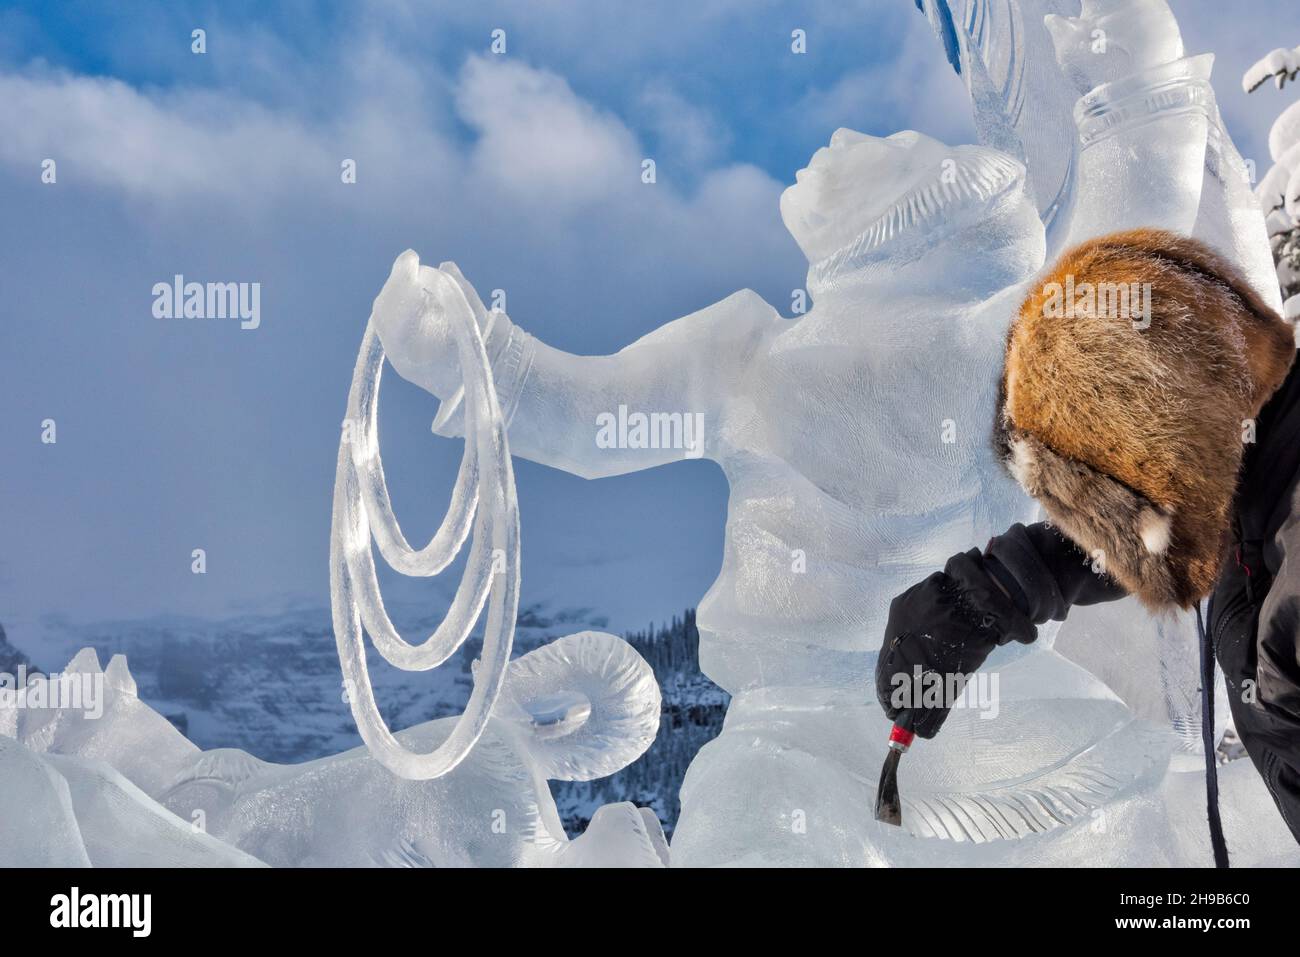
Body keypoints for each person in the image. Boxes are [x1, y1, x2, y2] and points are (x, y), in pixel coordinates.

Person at [875, 226, 1300, 852]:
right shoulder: (1256, 481)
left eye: (1098, 497)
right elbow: (1177, 526)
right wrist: (992, 590)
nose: (1105, 531)